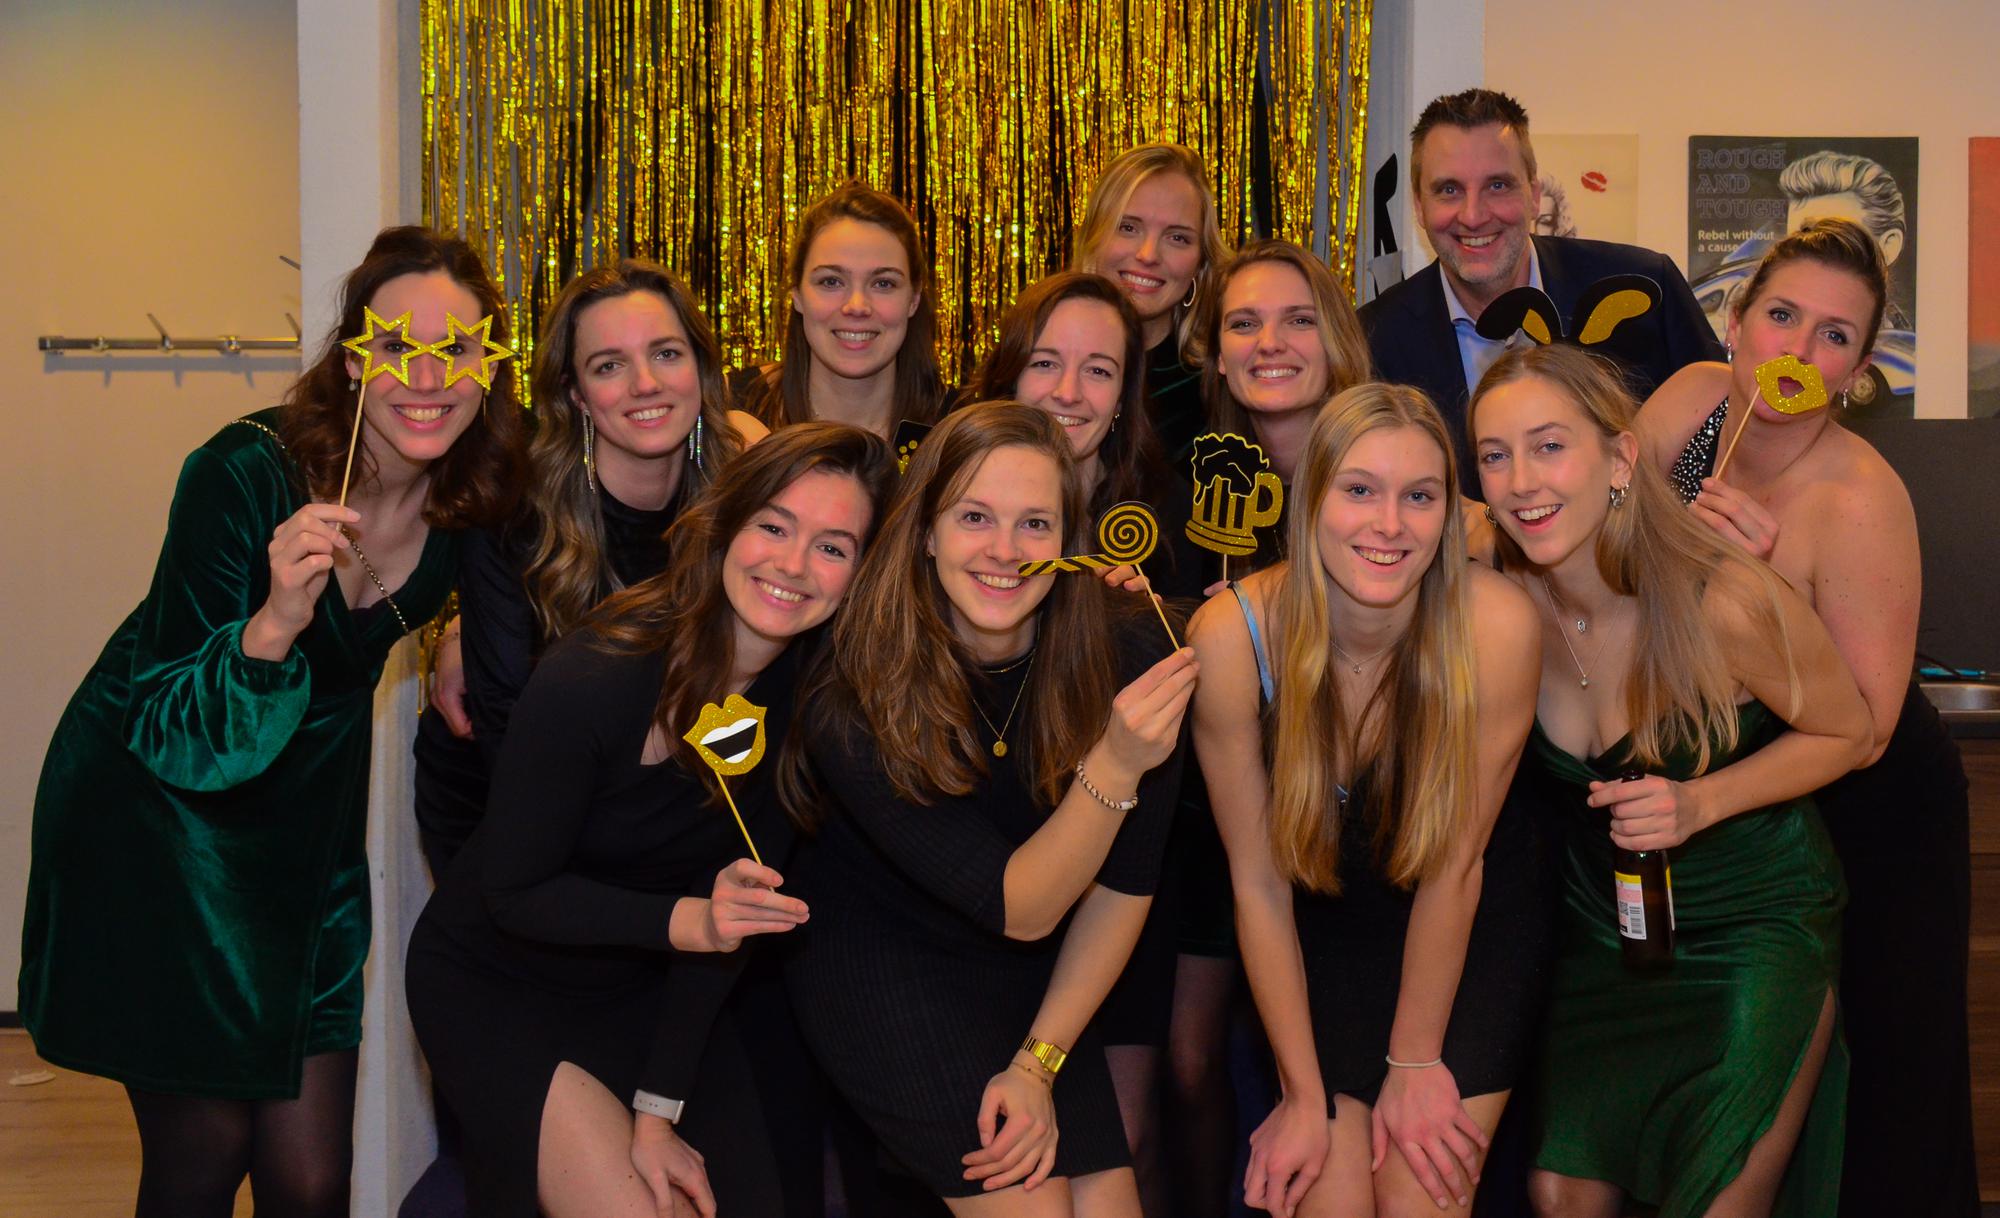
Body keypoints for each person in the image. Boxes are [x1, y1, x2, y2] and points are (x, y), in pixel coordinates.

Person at [17, 226, 527, 1218]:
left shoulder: (478, 487)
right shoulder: (242, 473)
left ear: (489, 365)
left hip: (306, 837)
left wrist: (458, 626)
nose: (428, 378)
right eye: (398, 347)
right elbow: (171, 721)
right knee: (202, 1157)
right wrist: (275, 624)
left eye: (457, 349)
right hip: (164, 821)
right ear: (354, 360)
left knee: (310, 1178)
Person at [405, 423, 893, 1218]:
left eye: (833, 547)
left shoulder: (813, 703)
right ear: (727, 523)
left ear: (863, 574)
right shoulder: (594, 678)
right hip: (500, 981)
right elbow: (515, 893)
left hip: (652, 986)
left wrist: (658, 1110)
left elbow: (734, 919)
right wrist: (691, 922)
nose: (794, 564)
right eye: (774, 526)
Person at [1469, 343, 1872, 1217]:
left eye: (1549, 446)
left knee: (1717, 1200)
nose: (1521, 481)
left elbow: (1849, 730)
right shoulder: (1497, 588)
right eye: (1495, 455)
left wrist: (1700, 800)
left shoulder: (1720, 597)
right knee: (1559, 1194)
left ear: (1620, 458)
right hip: (1603, 932)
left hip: (1750, 923)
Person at [1637, 217, 1976, 1217]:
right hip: (1729, 790)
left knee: (1882, 1072)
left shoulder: (1859, 499)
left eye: (1833, 336)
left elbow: (1866, 728)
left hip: (1870, 814)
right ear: (1733, 323)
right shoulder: (1690, 404)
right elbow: (1607, 538)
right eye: (1780, 316)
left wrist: (1757, 592)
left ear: (1858, 372)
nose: (1797, 349)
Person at [784, 402, 1198, 1215]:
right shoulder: (853, 688)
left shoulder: (1132, 653)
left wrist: (1038, 1062)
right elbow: (1024, 907)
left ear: (1071, 541)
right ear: (925, 532)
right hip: (886, 969)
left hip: (1034, 982)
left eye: (1034, 523)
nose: (1005, 551)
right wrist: (1116, 762)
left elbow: (1122, 888)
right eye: (974, 517)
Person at [1187, 382, 1546, 1216]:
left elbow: (1456, 868)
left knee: (1417, 1199)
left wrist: (1416, 1062)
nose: (1389, 525)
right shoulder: (1233, 639)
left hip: (1467, 932)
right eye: (1359, 490)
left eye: (1419, 497)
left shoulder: (1496, 626)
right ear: (1310, 498)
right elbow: (1259, 886)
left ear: (1449, 515)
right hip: (1321, 936)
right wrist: (1300, 1093)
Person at [415, 258, 761, 874]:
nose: (645, 384)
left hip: (670, 815)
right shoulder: (513, 513)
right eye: (609, 366)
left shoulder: (749, 500)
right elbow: (507, 732)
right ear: (575, 393)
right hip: (512, 822)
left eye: (666, 354)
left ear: (702, 369)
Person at [1359, 88, 1719, 496]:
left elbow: (1725, 436)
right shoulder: (1375, 340)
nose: (1473, 216)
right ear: (1419, 206)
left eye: (1497, 185)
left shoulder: (1646, 289)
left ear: (1533, 195)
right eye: (1449, 190)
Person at [736, 180, 944, 437]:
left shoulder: (958, 430)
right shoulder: (730, 415)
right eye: (831, 282)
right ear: (797, 293)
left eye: (883, 283)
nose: (856, 306)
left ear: (914, 299)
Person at [1072, 142, 1231, 466]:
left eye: (1177, 237)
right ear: (1093, 238)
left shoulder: (1222, 390)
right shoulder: (1031, 367)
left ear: (1200, 263)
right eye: (1128, 227)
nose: (1148, 255)